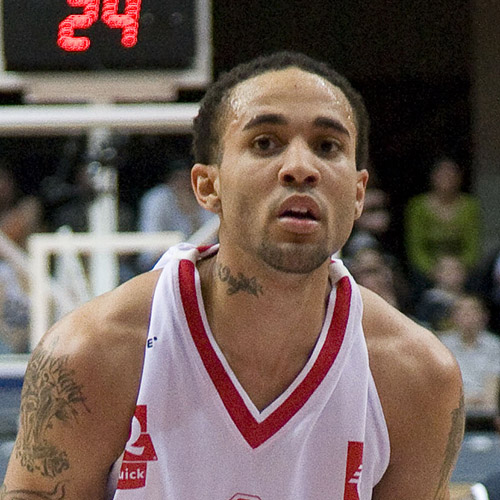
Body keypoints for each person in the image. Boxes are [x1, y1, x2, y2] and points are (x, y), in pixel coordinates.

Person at [1, 51, 464, 499]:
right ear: (208, 185)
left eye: (328, 146)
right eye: (265, 143)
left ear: (359, 193)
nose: (300, 168)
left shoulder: (417, 377)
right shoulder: (93, 352)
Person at [404, 157, 481, 288]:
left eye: (451, 175)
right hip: (428, 270)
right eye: (442, 175)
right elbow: (416, 246)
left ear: (459, 178)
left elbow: (472, 245)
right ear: (432, 177)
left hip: (461, 270)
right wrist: (433, 270)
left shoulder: (470, 206)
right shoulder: (417, 206)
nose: (447, 179)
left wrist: (459, 268)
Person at [440, 294, 500, 418]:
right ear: (453, 317)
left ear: (484, 316)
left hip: (483, 413)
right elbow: (443, 389)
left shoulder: (494, 346)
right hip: (449, 413)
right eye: (461, 310)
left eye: (473, 310)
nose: (467, 314)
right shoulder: (442, 345)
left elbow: (491, 396)